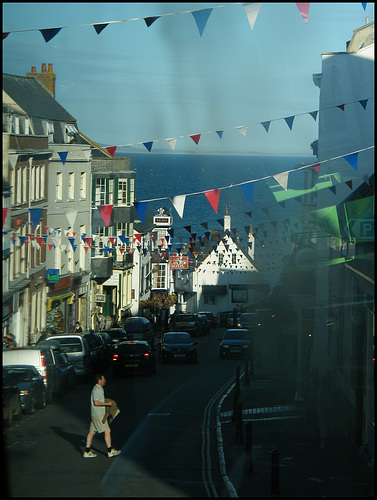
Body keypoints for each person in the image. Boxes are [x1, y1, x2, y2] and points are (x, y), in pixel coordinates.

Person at [83, 374, 121, 458]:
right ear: (99, 380)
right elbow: (96, 402)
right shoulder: (97, 390)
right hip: (98, 414)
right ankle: (110, 451)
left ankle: (87, 451)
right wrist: (107, 403)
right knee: (107, 431)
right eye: (103, 379)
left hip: (95, 414)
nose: (105, 381)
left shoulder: (98, 389)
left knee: (91, 432)